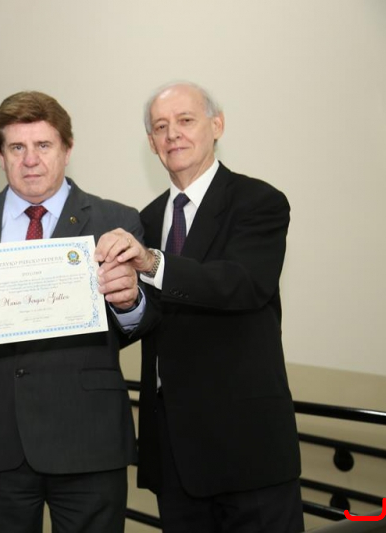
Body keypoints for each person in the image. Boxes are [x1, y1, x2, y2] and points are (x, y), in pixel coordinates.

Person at [97, 81, 303, 532]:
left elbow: (243, 284)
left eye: (185, 120)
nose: (172, 134)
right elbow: (146, 319)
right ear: (151, 142)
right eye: (160, 127)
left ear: (217, 125)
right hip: (174, 456)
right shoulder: (146, 220)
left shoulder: (258, 202)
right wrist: (127, 302)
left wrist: (152, 262)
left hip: (247, 449)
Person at [0, 90, 150, 533]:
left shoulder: (116, 221)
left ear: (67, 149)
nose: (30, 160)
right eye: (17, 147)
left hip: (88, 440)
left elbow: (138, 322)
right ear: (0, 156)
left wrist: (129, 303)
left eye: (43, 145)